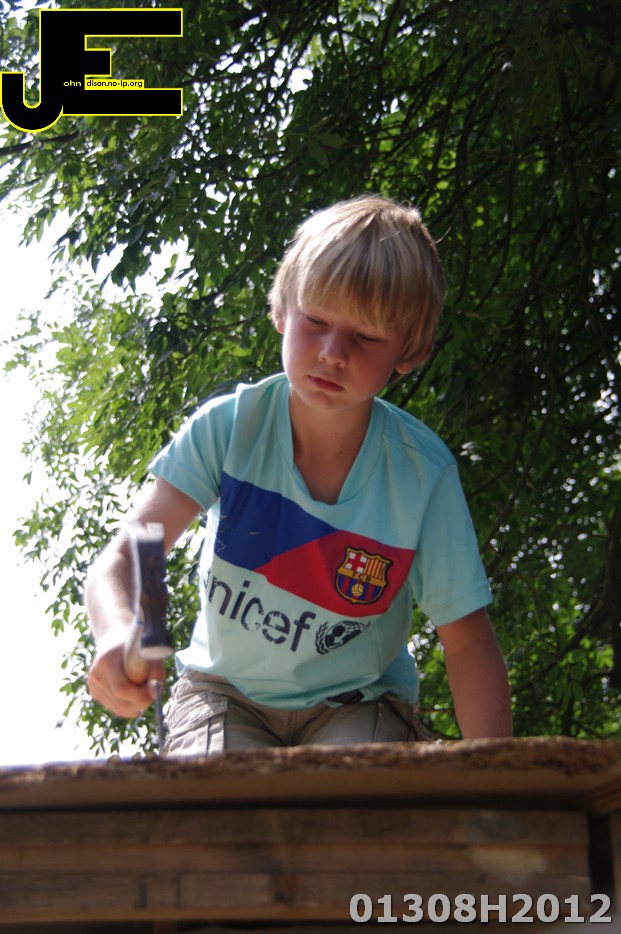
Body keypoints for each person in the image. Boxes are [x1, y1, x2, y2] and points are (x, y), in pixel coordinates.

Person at [86, 194, 512, 753]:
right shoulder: (229, 429)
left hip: (358, 701)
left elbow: (467, 642)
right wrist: (124, 629)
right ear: (283, 310)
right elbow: (134, 552)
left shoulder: (421, 475)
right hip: (222, 693)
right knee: (214, 797)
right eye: (317, 321)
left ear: (410, 351)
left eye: (366, 337)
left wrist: (499, 776)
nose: (333, 352)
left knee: (353, 797)